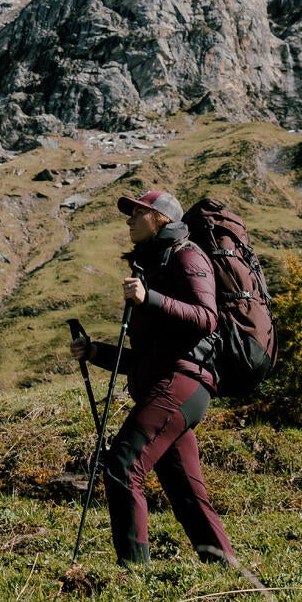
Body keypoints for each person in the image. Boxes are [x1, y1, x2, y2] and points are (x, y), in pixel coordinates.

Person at [70, 189, 235, 568]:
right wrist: (94, 352)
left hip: (182, 383)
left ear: (161, 218)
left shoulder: (187, 256)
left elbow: (207, 318)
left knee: (122, 465)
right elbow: (146, 357)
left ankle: (133, 573)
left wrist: (151, 299)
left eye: (138, 212)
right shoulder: (152, 265)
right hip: (166, 385)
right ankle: (226, 568)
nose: (129, 220)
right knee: (185, 491)